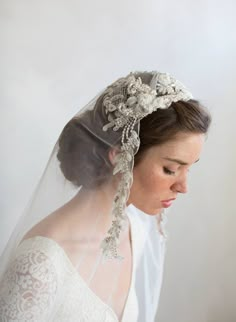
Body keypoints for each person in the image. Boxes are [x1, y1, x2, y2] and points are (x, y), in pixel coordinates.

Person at [0, 71, 211, 322]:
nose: (183, 186)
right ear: (120, 155)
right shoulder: (39, 266)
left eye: (189, 168)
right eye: (171, 169)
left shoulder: (136, 231)